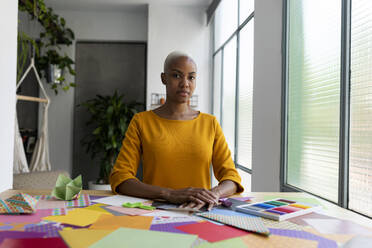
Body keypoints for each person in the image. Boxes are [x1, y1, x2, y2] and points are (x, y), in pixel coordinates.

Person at [110, 51, 243, 210]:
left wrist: (213, 194)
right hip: (154, 211)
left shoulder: (210, 123)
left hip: (199, 211)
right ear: (163, 78)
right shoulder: (142, 122)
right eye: (177, 75)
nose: (185, 83)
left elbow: (231, 178)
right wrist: (169, 194)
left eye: (191, 77)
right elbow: (120, 178)